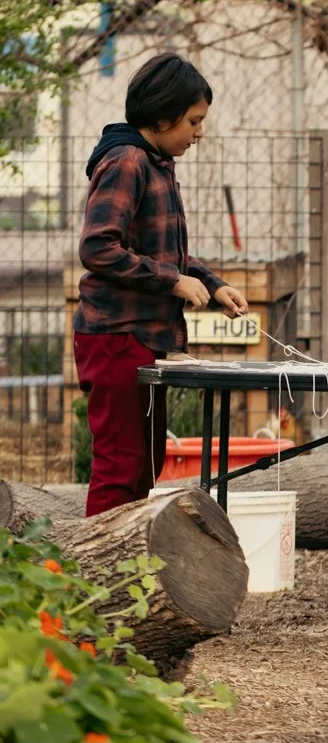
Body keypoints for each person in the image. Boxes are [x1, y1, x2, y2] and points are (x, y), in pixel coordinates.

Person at [73, 54, 248, 517]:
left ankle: (130, 574)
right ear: (163, 113)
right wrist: (172, 283)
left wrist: (210, 286)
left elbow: (167, 253)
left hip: (141, 338)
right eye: (193, 120)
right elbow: (98, 247)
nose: (199, 132)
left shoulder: (156, 163)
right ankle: (98, 578)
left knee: (145, 466)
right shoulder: (127, 161)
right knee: (119, 468)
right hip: (114, 336)